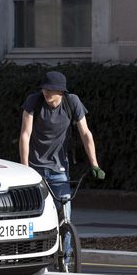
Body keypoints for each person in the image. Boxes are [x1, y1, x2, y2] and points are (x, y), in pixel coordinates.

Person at [19, 71, 105, 217]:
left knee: (65, 216)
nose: (46, 92)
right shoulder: (34, 101)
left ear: (60, 91)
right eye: (45, 89)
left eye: (51, 90)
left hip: (59, 170)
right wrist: (25, 167)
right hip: (35, 169)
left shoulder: (72, 102)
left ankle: (66, 240)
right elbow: (25, 135)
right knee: (38, 215)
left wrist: (94, 164)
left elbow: (85, 133)